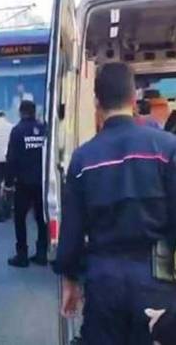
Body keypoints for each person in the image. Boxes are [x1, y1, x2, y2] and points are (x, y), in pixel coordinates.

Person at [54, 63, 176, 344]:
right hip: (157, 279)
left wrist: (70, 280)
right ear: (134, 99)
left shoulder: (83, 159)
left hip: (103, 282)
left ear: (97, 102)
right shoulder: (167, 148)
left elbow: (71, 232)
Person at [6, 100, 47, 267]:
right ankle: (42, 253)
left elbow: (11, 158)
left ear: (21, 112)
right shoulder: (44, 130)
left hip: (23, 183)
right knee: (41, 218)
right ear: (34, 111)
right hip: (41, 181)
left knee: (20, 219)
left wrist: (8, 183)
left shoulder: (17, 131)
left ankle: (22, 255)